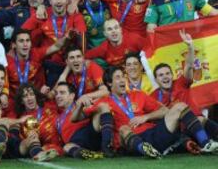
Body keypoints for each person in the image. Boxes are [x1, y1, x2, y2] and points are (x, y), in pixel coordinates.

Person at [85, 66, 218, 158]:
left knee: (180, 107)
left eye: (123, 77)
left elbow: (165, 110)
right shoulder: (104, 101)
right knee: (124, 128)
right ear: (109, 83)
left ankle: (206, 143)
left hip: (154, 133)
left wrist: (145, 117)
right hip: (132, 140)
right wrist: (81, 102)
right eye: (118, 77)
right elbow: (82, 116)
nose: (122, 80)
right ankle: (145, 149)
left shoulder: (138, 94)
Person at [54, 82, 113, 158]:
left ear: (72, 96)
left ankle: (106, 147)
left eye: (62, 93)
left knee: (102, 107)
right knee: (66, 147)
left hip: (89, 135)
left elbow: (106, 93)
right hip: (75, 143)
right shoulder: (57, 118)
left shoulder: (82, 104)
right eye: (56, 94)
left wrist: (81, 104)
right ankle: (91, 155)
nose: (58, 96)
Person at [6, 29, 70, 99]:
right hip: (17, 102)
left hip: (38, 98)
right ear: (13, 45)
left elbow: (56, 47)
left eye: (27, 41)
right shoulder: (6, 62)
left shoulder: (36, 53)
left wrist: (67, 37)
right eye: (21, 41)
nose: (25, 44)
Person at [14, 83, 62, 155]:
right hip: (49, 147)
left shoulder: (49, 104)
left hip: (64, 139)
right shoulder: (25, 119)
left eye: (31, 94)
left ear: (35, 96)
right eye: (25, 96)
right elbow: (34, 140)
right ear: (21, 101)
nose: (29, 98)